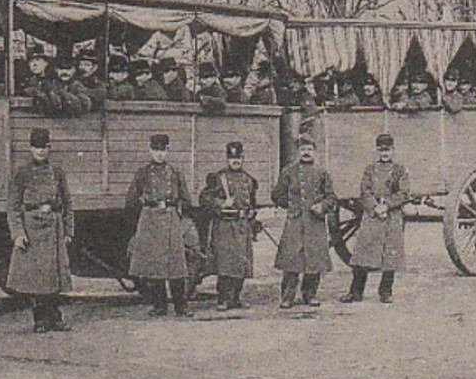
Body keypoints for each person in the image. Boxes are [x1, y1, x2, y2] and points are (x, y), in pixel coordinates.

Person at [7, 128, 75, 332]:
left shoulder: (57, 171)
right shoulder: (22, 173)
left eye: (44, 147)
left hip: (53, 226)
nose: (41, 151)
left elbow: (67, 202)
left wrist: (68, 230)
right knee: (36, 277)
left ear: (49, 148)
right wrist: (18, 233)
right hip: (32, 228)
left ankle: (55, 318)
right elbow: (12, 206)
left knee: (53, 275)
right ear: (30, 148)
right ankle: (40, 320)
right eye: (37, 147)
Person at [125, 134, 195, 317]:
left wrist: (178, 209)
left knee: (176, 264)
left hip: (171, 218)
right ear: (150, 151)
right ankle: (159, 306)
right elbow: (130, 201)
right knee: (154, 265)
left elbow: (187, 200)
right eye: (156, 150)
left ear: (168, 151)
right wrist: (144, 209)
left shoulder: (176, 173)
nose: (159, 154)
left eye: (163, 150)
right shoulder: (142, 173)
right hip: (150, 220)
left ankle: (181, 306)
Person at [270, 134, 336, 309]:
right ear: (298, 151)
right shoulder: (288, 171)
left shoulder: (322, 173)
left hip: (315, 223)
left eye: (309, 149)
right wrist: (291, 206)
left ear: (314, 152)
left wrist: (322, 206)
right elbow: (277, 195)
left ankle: (310, 295)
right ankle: (287, 297)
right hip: (295, 221)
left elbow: (332, 198)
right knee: (291, 260)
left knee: (314, 260)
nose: (306, 153)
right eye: (303, 149)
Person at [345, 134, 409, 304]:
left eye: (388, 150)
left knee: (390, 255)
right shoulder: (370, 169)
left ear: (393, 150)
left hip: (392, 215)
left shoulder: (399, 170)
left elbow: (403, 193)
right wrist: (374, 207)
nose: (385, 153)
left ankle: (386, 291)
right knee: (362, 253)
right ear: (376, 151)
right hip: (372, 215)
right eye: (381, 150)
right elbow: (364, 191)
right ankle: (355, 292)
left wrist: (386, 206)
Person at [198, 141, 260, 310]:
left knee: (241, 264)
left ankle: (236, 299)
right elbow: (204, 199)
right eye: (232, 157)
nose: (235, 161)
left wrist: (253, 217)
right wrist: (222, 203)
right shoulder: (219, 178)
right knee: (225, 264)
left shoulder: (248, 180)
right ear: (227, 158)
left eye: (238, 157)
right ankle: (223, 299)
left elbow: (253, 204)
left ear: (243, 158)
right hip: (224, 226)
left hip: (242, 226)